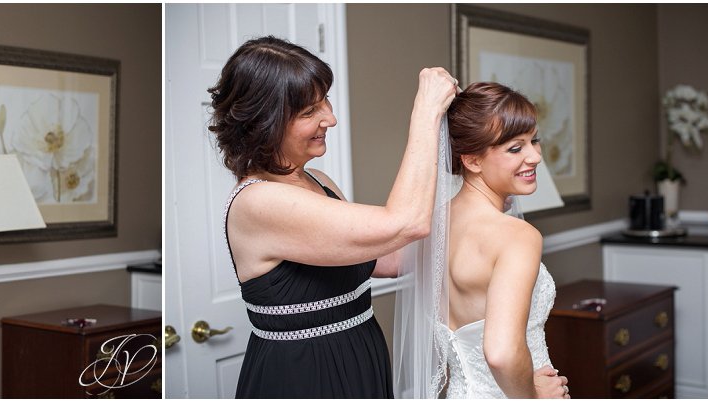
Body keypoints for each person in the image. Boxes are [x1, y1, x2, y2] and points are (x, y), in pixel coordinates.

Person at [212, 36, 455, 398]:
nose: (331, 117)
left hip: (360, 355)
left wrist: (482, 211)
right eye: (309, 112)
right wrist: (426, 113)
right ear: (264, 121)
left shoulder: (317, 181)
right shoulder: (258, 202)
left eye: (324, 99)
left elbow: (386, 256)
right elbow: (406, 223)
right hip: (305, 374)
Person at [438, 82, 570, 398]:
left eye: (534, 141)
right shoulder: (517, 236)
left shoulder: (436, 222)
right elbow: (500, 352)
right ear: (471, 160)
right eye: (516, 148)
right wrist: (533, 397)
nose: (536, 156)